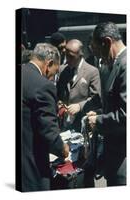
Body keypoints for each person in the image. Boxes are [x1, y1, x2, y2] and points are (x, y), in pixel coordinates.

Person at [21, 43, 69, 192]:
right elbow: (49, 131)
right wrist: (63, 149)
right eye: (53, 73)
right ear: (48, 64)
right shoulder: (43, 86)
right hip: (31, 165)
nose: (52, 77)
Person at [87, 22, 126, 186]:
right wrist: (100, 113)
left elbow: (126, 116)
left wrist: (98, 121)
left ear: (107, 42)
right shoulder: (117, 64)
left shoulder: (125, 66)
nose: (100, 58)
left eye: (99, 51)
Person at [57, 39, 101, 132]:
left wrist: (80, 106)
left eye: (71, 57)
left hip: (81, 124)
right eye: (66, 56)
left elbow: (96, 98)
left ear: (81, 55)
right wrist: (59, 103)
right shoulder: (62, 70)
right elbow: (58, 93)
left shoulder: (92, 72)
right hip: (63, 123)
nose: (67, 60)